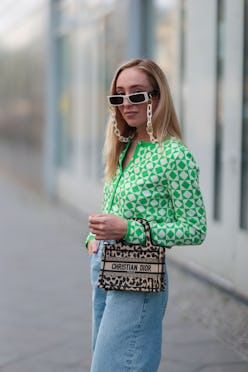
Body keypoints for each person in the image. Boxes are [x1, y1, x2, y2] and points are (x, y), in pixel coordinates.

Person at [86, 58, 207, 372]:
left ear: (157, 97)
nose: (126, 103)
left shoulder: (173, 155)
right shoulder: (124, 146)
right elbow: (116, 206)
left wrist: (128, 229)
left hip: (138, 274)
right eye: (119, 95)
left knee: (114, 366)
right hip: (105, 268)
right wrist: (93, 238)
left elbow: (194, 228)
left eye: (137, 94)